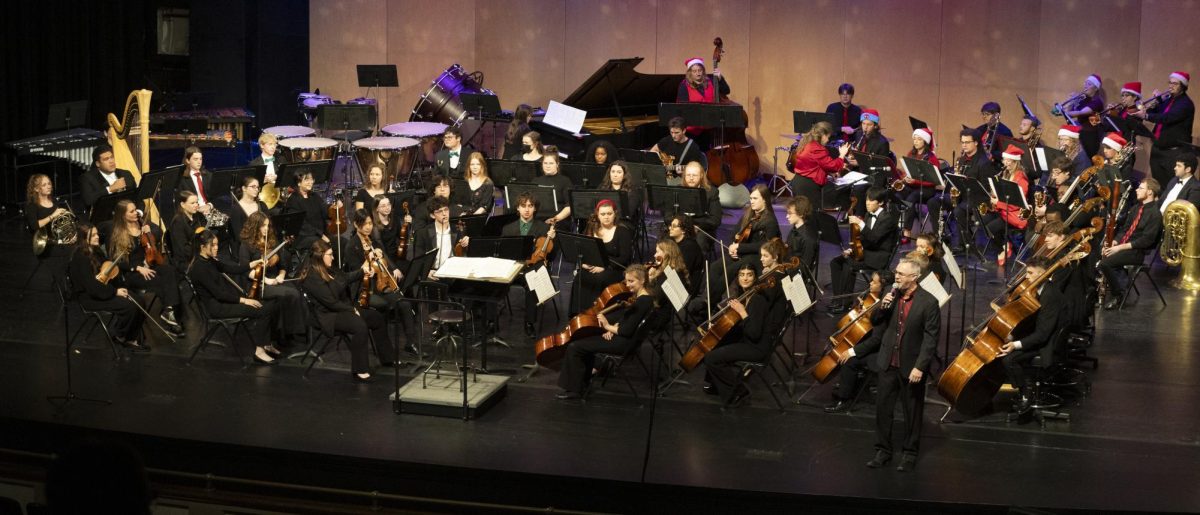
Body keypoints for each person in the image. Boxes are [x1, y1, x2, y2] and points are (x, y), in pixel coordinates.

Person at [858, 257, 939, 472]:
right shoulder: (891, 296)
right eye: (897, 273)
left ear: (914, 277)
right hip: (888, 361)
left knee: (912, 411)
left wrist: (920, 366)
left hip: (910, 365)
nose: (897, 277)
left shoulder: (928, 302)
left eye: (901, 274)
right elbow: (875, 321)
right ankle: (883, 450)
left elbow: (931, 339)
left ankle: (910, 453)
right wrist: (883, 306)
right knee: (883, 409)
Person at [702, 240, 789, 405]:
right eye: (742, 275)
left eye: (749, 275)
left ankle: (737, 391)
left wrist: (742, 312)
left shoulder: (759, 297)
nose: (761, 259)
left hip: (757, 346)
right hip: (756, 339)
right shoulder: (758, 290)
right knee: (717, 343)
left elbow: (754, 332)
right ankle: (716, 384)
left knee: (712, 358)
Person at [300, 239, 397, 382]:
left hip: (342, 308)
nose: (333, 257)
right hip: (328, 316)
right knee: (359, 326)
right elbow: (331, 302)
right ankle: (360, 369)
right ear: (320, 256)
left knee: (376, 317)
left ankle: (387, 358)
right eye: (330, 255)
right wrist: (352, 309)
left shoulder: (330, 268)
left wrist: (362, 271)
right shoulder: (312, 277)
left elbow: (345, 278)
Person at [555, 264, 655, 400]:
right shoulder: (645, 298)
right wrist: (614, 329)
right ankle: (582, 383)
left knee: (576, 346)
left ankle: (574, 390)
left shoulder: (642, 302)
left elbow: (626, 331)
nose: (628, 285)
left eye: (632, 281)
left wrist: (608, 326)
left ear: (643, 280)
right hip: (625, 340)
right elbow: (629, 321)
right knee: (586, 341)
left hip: (623, 343)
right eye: (627, 281)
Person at [187, 228, 278, 364]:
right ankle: (259, 351)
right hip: (216, 308)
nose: (217, 248)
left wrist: (252, 264)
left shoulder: (209, 260)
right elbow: (218, 294)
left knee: (270, 305)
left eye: (217, 244)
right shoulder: (199, 268)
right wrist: (244, 300)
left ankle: (265, 343)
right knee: (263, 310)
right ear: (202, 247)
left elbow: (230, 268)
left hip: (223, 302)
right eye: (213, 245)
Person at [341, 208, 420, 353]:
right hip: (363, 289)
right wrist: (368, 260)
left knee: (404, 304)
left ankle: (410, 342)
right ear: (357, 225)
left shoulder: (373, 241)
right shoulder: (352, 246)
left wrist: (393, 267)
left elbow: (386, 259)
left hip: (380, 284)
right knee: (383, 305)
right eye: (364, 224)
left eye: (370, 223)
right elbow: (355, 273)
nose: (368, 227)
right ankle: (385, 349)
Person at [998, 256, 1066, 417]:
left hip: (1048, 344)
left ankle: (1026, 394)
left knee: (1009, 359)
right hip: (1039, 335)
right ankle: (1022, 388)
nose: (1026, 277)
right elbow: (1029, 321)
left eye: (1030, 273)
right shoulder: (1037, 290)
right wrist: (1012, 335)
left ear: (1042, 274)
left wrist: (1015, 344)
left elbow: (1043, 335)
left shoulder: (1050, 296)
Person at [67, 222, 147, 351]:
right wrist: (115, 292)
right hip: (90, 298)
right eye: (92, 235)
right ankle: (121, 335)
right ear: (83, 239)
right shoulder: (80, 258)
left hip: (102, 290)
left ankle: (130, 335)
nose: (97, 237)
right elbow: (91, 286)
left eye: (97, 234)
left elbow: (108, 267)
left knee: (140, 301)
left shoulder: (96, 251)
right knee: (129, 306)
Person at [109, 199, 184, 333]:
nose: (136, 213)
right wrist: (137, 268)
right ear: (123, 215)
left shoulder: (142, 223)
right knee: (162, 280)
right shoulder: (118, 234)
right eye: (131, 211)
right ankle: (173, 317)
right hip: (133, 273)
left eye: (135, 209)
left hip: (150, 264)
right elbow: (118, 262)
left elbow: (160, 232)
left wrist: (151, 231)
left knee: (171, 271)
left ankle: (168, 311)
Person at [823, 269, 891, 413]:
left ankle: (844, 399)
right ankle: (847, 384)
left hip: (880, 351)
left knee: (849, 360)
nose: (870, 283)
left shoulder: (883, 309)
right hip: (870, 343)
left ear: (883, 286)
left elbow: (876, 340)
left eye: (874, 282)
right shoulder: (871, 300)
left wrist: (852, 350)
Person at [238, 211, 306, 351]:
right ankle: (289, 333)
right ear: (254, 227)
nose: (266, 229)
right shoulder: (246, 245)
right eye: (263, 226)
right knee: (289, 293)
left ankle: (282, 335)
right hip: (256, 283)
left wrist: (281, 275)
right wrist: (267, 281)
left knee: (296, 290)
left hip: (274, 278)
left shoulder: (272, 242)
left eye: (267, 226)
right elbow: (246, 270)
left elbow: (283, 266)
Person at [828, 187, 898, 314]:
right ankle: (837, 298)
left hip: (878, 257)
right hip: (866, 252)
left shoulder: (888, 218)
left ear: (881, 202)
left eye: (871, 200)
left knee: (849, 265)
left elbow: (874, 238)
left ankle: (845, 303)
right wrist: (852, 249)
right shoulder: (868, 214)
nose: (867, 203)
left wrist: (860, 223)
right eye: (866, 200)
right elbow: (864, 239)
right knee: (836, 262)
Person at [1099, 178, 1163, 309]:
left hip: (1137, 251)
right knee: (1097, 254)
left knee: (1105, 263)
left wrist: (1120, 248)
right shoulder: (1135, 208)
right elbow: (1125, 229)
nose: (1136, 190)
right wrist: (1114, 242)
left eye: (1141, 188)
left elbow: (1146, 240)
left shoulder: (1155, 214)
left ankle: (1119, 294)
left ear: (1150, 192)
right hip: (1124, 246)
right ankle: (1117, 282)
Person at [502, 192, 557, 337]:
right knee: (491, 282)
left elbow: (551, 255)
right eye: (523, 206)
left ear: (535, 209)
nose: (527, 209)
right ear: (517, 208)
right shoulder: (507, 229)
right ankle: (490, 322)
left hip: (532, 268)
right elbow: (503, 253)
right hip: (512, 268)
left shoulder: (544, 228)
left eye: (530, 206)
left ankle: (529, 322)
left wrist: (553, 239)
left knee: (533, 282)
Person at [569, 199, 632, 316]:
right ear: (598, 215)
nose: (606, 217)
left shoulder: (622, 231)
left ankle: (597, 314)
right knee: (580, 276)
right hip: (593, 265)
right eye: (603, 214)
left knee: (600, 279)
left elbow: (624, 257)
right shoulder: (591, 228)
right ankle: (579, 314)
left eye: (609, 213)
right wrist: (583, 262)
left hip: (613, 267)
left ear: (615, 214)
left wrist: (604, 266)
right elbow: (581, 249)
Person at [1133, 71, 1195, 189]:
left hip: (1173, 153)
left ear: (1183, 86)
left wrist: (1146, 116)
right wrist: (1157, 102)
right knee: (1158, 184)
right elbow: (1154, 112)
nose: (1171, 86)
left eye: (1175, 84)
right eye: (1170, 83)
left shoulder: (1185, 104)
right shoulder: (1167, 99)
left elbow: (1167, 118)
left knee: (1170, 186)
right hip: (1158, 149)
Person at [947, 129, 996, 253]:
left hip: (978, 198)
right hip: (963, 196)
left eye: (967, 142)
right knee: (935, 202)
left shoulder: (984, 162)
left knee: (959, 209)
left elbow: (986, 188)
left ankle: (965, 243)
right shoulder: (961, 160)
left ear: (976, 143)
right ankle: (940, 238)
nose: (964, 145)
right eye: (962, 142)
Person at [981, 144, 1031, 263]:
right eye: (1005, 160)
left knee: (991, 228)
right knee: (984, 220)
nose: (1005, 163)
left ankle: (1002, 248)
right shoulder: (1007, 174)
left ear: (1015, 162)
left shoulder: (1021, 180)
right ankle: (1005, 244)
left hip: (1014, 214)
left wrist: (998, 203)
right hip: (1004, 211)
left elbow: (1016, 204)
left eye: (1008, 160)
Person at [784, 120, 849, 210]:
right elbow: (833, 166)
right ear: (822, 135)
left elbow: (814, 165)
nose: (828, 140)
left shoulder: (807, 143)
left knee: (802, 214)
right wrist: (842, 155)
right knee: (810, 214)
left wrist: (829, 173)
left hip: (800, 182)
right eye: (828, 137)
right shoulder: (816, 148)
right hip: (807, 186)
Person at [675, 57, 729, 149]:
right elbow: (683, 108)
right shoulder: (684, 86)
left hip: (709, 127)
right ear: (690, 73)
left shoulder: (711, 81)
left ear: (703, 71)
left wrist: (720, 78)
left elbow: (726, 91)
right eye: (694, 71)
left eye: (700, 70)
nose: (698, 73)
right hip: (692, 130)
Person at [898, 127, 943, 239]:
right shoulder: (911, 153)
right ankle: (895, 228)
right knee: (896, 195)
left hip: (927, 189)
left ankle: (907, 230)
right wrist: (904, 178)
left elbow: (933, 181)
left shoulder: (932, 158)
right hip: (912, 186)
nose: (916, 141)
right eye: (914, 139)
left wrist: (915, 181)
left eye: (919, 139)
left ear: (925, 141)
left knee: (911, 198)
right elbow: (908, 171)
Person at [413, 196, 468, 278]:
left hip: (454, 272)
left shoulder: (457, 230)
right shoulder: (422, 233)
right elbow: (418, 259)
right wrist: (427, 271)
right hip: (434, 273)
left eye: (446, 209)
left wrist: (467, 244)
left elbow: (463, 254)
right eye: (439, 211)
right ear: (432, 215)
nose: (444, 214)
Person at [26, 174, 73, 267]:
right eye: (44, 185)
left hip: (58, 238)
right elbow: (34, 226)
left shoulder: (54, 201)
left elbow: (60, 224)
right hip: (46, 244)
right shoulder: (32, 206)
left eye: (49, 184)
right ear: (36, 189)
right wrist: (53, 216)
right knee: (71, 252)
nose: (48, 187)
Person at [283, 168, 335, 251]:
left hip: (320, 232)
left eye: (311, 179)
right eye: (307, 179)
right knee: (322, 245)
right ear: (299, 183)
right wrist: (321, 235)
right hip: (303, 237)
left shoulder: (314, 196)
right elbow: (302, 225)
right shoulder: (293, 200)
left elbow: (324, 209)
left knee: (340, 242)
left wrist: (333, 208)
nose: (310, 182)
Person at [727, 185, 781, 263]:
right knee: (714, 267)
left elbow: (765, 245)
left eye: (755, 198)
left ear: (764, 200)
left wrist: (739, 247)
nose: (752, 201)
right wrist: (732, 248)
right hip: (740, 254)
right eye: (751, 198)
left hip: (756, 257)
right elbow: (735, 233)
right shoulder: (748, 214)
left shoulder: (770, 221)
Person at [81, 145, 137, 209]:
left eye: (112, 157)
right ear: (98, 164)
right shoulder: (87, 178)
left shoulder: (126, 174)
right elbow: (88, 200)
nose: (111, 161)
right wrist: (110, 189)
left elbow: (137, 197)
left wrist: (139, 212)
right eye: (106, 159)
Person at [680, 161, 723, 245]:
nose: (691, 178)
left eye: (694, 175)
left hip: (702, 229)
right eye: (688, 175)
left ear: (701, 176)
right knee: (666, 239)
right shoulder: (677, 190)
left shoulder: (711, 192)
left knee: (699, 241)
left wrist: (698, 226)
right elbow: (668, 215)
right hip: (680, 226)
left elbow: (715, 220)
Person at [784, 195, 819, 294]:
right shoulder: (795, 229)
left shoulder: (808, 238)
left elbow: (805, 267)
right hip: (789, 266)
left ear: (801, 214)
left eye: (790, 213)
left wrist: (783, 271)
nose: (787, 216)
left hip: (796, 274)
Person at [532, 152, 574, 232]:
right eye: (545, 163)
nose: (547, 166)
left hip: (558, 221)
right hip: (537, 220)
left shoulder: (565, 181)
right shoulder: (535, 180)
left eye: (551, 163)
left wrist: (555, 219)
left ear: (557, 164)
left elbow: (569, 206)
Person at [666, 214, 705, 294]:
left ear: (683, 230)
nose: (670, 228)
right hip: (677, 281)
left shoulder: (690, 247)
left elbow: (681, 271)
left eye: (674, 226)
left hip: (685, 289)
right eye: (670, 225)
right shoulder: (674, 243)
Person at [168, 191, 207, 268]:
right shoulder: (178, 222)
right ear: (183, 205)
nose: (196, 205)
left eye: (197, 202)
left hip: (198, 255)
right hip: (186, 261)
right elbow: (184, 249)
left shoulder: (197, 216)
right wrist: (202, 254)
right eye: (192, 203)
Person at [177, 146, 217, 216]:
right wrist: (197, 208)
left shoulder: (208, 175)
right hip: (193, 212)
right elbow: (181, 200)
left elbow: (217, 195)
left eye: (200, 159)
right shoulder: (182, 179)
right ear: (188, 160)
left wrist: (209, 205)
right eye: (195, 159)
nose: (199, 162)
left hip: (209, 209)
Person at [227, 175, 268, 241]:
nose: (257, 189)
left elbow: (269, 228)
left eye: (258, 187)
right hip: (246, 247)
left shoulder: (262, 205)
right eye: (253, 187)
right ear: (244, 188)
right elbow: (238, 235)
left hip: (263, 243)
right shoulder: (236, 209)